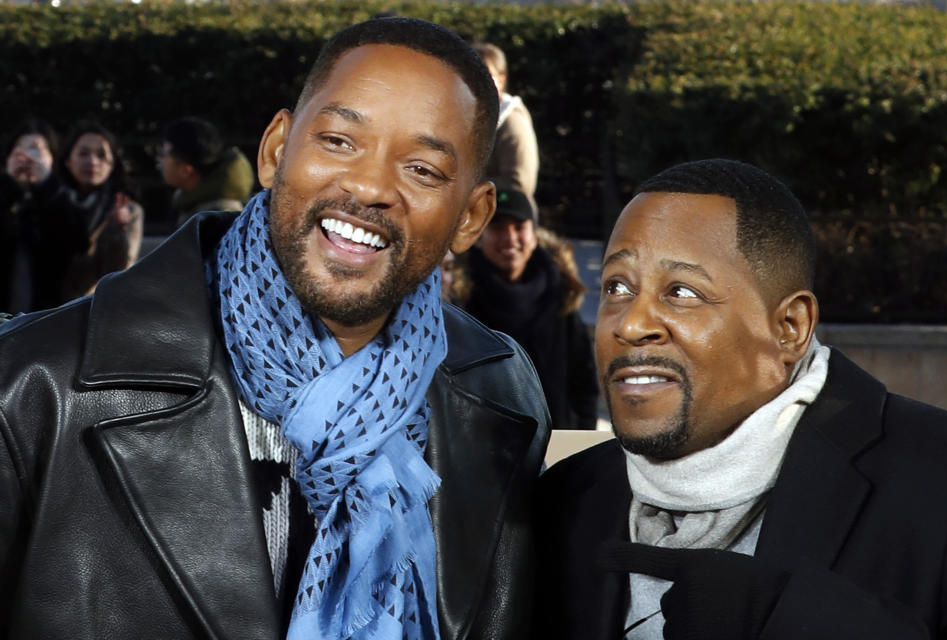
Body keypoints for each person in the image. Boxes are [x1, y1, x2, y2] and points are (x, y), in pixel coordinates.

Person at [0, 17, 549, 640]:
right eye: (340, 140)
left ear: (472, 218)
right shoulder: (30, 387)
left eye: (422, 169)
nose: (369, 186)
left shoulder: (503, 396)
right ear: (274, 150)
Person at [533, 158, 947, 639]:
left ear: (790, 328)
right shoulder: (564, 500)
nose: (630, 324)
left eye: (682, 292)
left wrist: (794, 621)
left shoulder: (944, 480)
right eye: (617, 287)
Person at [451, 185, 597, 429]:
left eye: (519, 227)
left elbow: (583, 379)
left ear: (534, 234)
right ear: (479, 236)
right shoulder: (459, 301)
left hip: (557, 440)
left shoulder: (562, 293)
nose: (509, 238)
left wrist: (580, 436)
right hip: (483, 445)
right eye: (497, 228)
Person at [0, 119, 89, 312]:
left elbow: (76, 245)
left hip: (47, 314)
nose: (28, 159)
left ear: (52, 159)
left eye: (37, 151)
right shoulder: (4, 194)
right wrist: (9, 185)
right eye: (20, 151)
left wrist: (45, 186)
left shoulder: (63, 197)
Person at [58, 120, 144, 299]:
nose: (92, 162)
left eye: (101, 155)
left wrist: (116, 231)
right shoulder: (51, 201)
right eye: (83, 153)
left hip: (95, 308)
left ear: (112, 164)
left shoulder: (127, 211)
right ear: (68, 161)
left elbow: (121, 273)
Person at [158, 116, 255, 227]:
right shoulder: (201, 206)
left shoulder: (216, 218)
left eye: (163, 155)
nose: (160, 162)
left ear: (185, 170)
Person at [472, 43, 539, 203]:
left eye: (486, 74)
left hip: (505, 219)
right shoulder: (470, 117)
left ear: (501, 81)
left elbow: (519, 184)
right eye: (471, 74)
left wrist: (466, 185)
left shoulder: (511, 121)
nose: (477, 81)